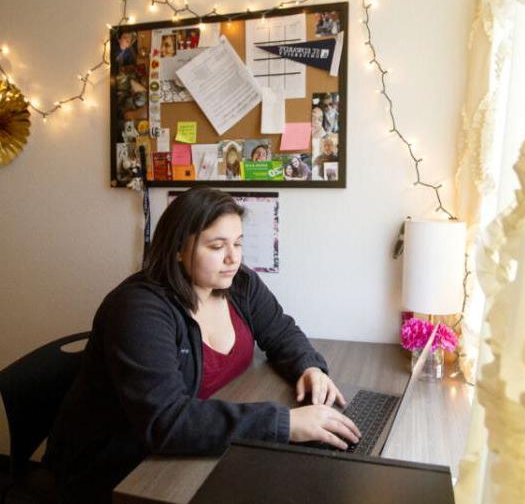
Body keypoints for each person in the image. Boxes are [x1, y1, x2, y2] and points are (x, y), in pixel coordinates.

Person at [45, 188, 360, 504]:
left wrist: (308, 366)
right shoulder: (138, 310)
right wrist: (284, 423)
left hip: (201, 444)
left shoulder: (239, 283)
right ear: (178, 248)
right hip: (124, 470)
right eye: (217, 246)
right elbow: (165, 421)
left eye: (237, 243)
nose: (233, 257)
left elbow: (281, 331)